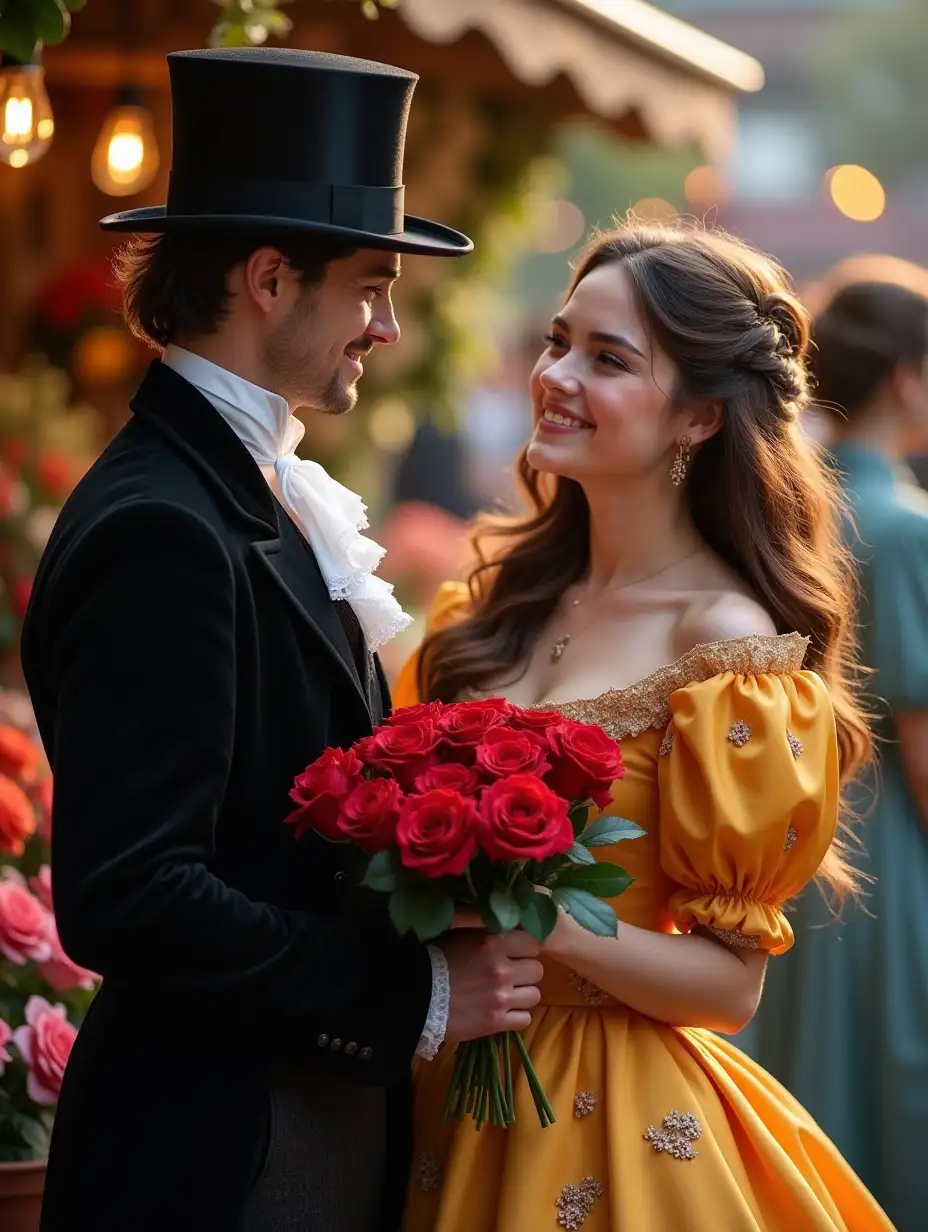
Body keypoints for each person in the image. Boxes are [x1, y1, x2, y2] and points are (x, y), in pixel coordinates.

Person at [20, 48, 546, 1232]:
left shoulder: (245, 488)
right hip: (217, 1150)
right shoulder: (165, 522)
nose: (388, 325)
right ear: (267, 277)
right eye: (368, 286)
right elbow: (135, 894)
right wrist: (411, 988)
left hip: (291, 1114)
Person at [393, 220, 894, 1231]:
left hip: (599, 1120)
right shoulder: (487, 607)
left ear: (699, 416)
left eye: (607, 358)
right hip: (420, 1082)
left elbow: (727, 985)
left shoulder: (728, 649)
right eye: (557, 339)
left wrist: (538, 907)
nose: (555, 374)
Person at [737, 257, 928, 1232]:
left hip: (795, 845)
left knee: (809, 1100)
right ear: (907, 375)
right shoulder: (903, 525)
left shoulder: (790, 501)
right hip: (891, 853)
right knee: (893, 1108)